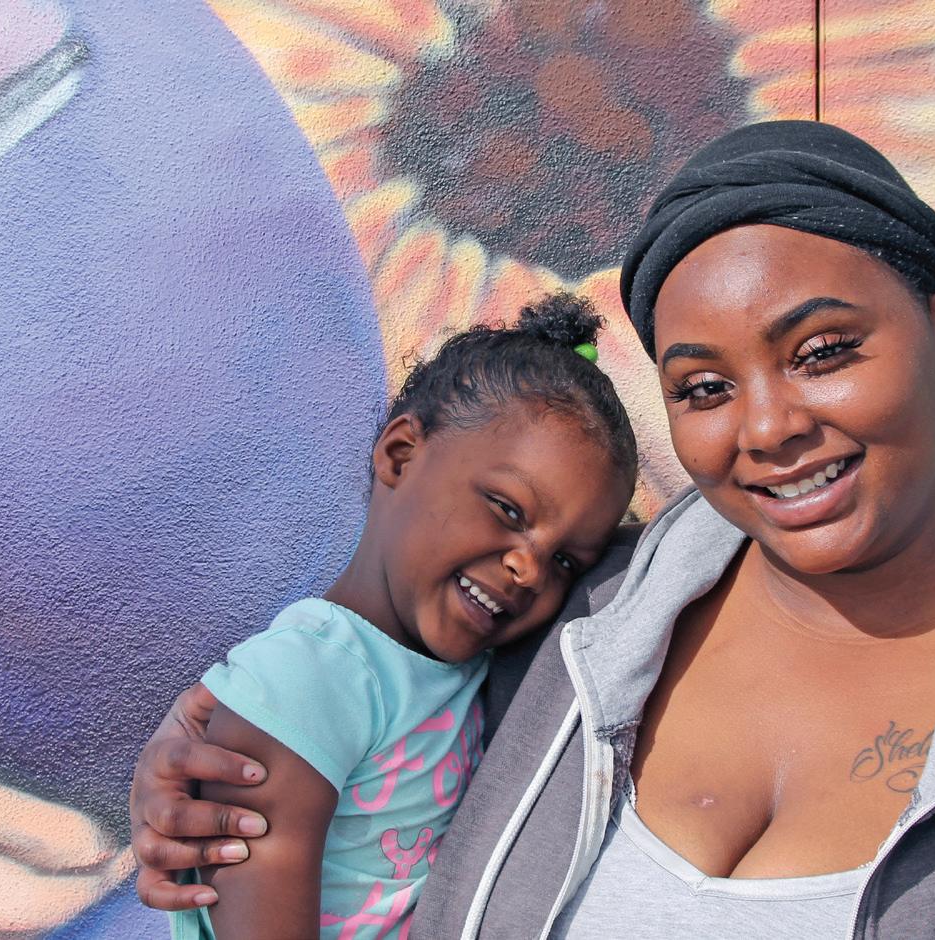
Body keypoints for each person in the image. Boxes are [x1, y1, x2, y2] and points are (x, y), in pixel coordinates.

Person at [132, 121, 935, 939]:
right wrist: (199, 782)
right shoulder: (577, 627)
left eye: (822, 351)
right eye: (705, 388)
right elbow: (344, 743)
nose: (767, 428)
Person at [163, 295, 637, 938]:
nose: (529, 569)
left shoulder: (474, 673)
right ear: (401, 454)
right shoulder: (307, 677)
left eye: (564, 562)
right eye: (508, 509)